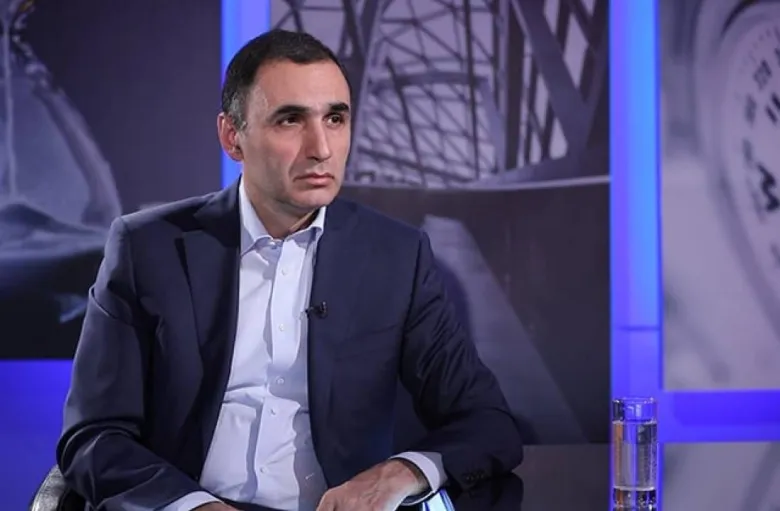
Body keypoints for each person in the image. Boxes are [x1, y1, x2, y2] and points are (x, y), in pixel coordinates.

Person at [56, 29, 523, 511]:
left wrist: (398, 474)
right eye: (290, 120)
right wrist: (191, 506)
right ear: (232, 137)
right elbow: (94, 437)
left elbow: (488, 422)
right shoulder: (147, 248)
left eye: (335, 118)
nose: (321, 148)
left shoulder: (397, 256)